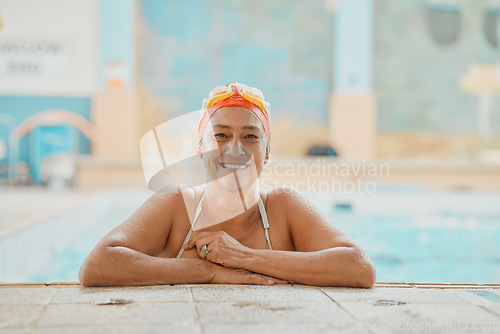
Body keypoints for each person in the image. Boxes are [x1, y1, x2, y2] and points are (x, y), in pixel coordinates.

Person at [79, 82, 376, 287]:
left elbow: (359, 267)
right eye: (221, 136)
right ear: (200, 148)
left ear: (267, 151)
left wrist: (244, 257)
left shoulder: (283, 208)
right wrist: (206, 271)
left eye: (250, 136)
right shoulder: (175, 206)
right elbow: (96, 266)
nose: (235, 148)